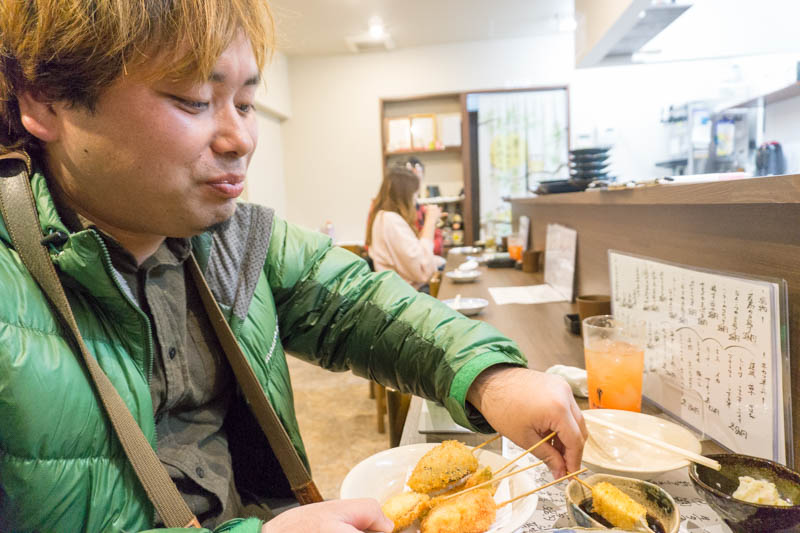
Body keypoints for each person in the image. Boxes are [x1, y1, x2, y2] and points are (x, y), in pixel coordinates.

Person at [0, 1, 586, 532]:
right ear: (45, 101)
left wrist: (490, 377)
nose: (240, 139)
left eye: (246, 104)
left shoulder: (232, 238)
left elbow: (361, 304)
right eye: (194, 100)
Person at [366, 165, 445, 290]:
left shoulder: (383, 217)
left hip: (402, 291)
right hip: (407, 294)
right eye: (415, 194)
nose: (416, 200)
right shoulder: (390, 220)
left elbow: (416, 256)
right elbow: (423, 271)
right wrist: (430, 221)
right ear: (405, 195)